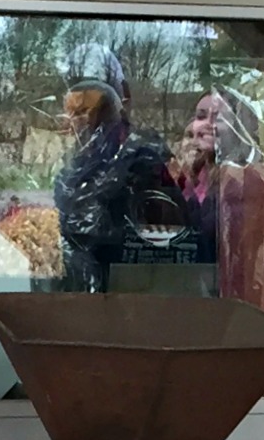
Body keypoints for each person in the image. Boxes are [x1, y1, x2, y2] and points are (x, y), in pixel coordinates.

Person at [52, 54, 173, 293]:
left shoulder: (140, 157)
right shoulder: (75, 163)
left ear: (106, 117)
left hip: (130, 281)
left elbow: (158, 224)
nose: (71, 122)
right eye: (69, 114)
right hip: (78, 281)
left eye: (81, 113)